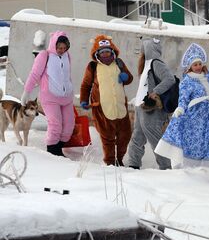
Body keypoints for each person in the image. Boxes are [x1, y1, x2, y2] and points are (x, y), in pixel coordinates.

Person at [155, 43, 209, 174]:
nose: (198, 67)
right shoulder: (187, 81)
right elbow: (184, 97)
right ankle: (189, 166)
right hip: (195, 115)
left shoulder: (208, 76)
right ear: (190, 67)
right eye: (195, 64)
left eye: (199, 63)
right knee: (195, 141)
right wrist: (180, 108)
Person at [80, 35, 134, 166]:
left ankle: (119, 159)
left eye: (108, 51)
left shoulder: (119, 63)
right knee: (107, 138)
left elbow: (129, 79)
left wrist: (125, 76)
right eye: (102, 52)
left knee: (125, 136)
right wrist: (84, 99)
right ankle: (110, 162)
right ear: (97, 53)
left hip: (120, 107)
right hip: (102, 109)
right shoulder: (92, 67)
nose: (105, 54)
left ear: (112, 51)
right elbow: (86, 85)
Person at [21, 31, 74, 156]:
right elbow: (34, 74)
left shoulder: (68, 56)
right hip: (50, 97)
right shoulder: (45, 55)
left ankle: (58, 148)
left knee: (69, 126)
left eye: (64, 48)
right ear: (53, 45)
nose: (62, 50)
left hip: (67, 98)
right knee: (55, 125)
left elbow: (66, 76)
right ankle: (53, 152)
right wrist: (26, 92)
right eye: (59, 47)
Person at [126, 37, 175, 170]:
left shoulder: (156, 63)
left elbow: (170, 79)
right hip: (140, 106)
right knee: (137, 138)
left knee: (156, 139)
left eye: (143, 49)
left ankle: (166, 168)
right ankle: (133, 165)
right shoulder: (146, 64)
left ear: (148, 49)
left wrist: (155, 92)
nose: (141, 52)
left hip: (151, 108)